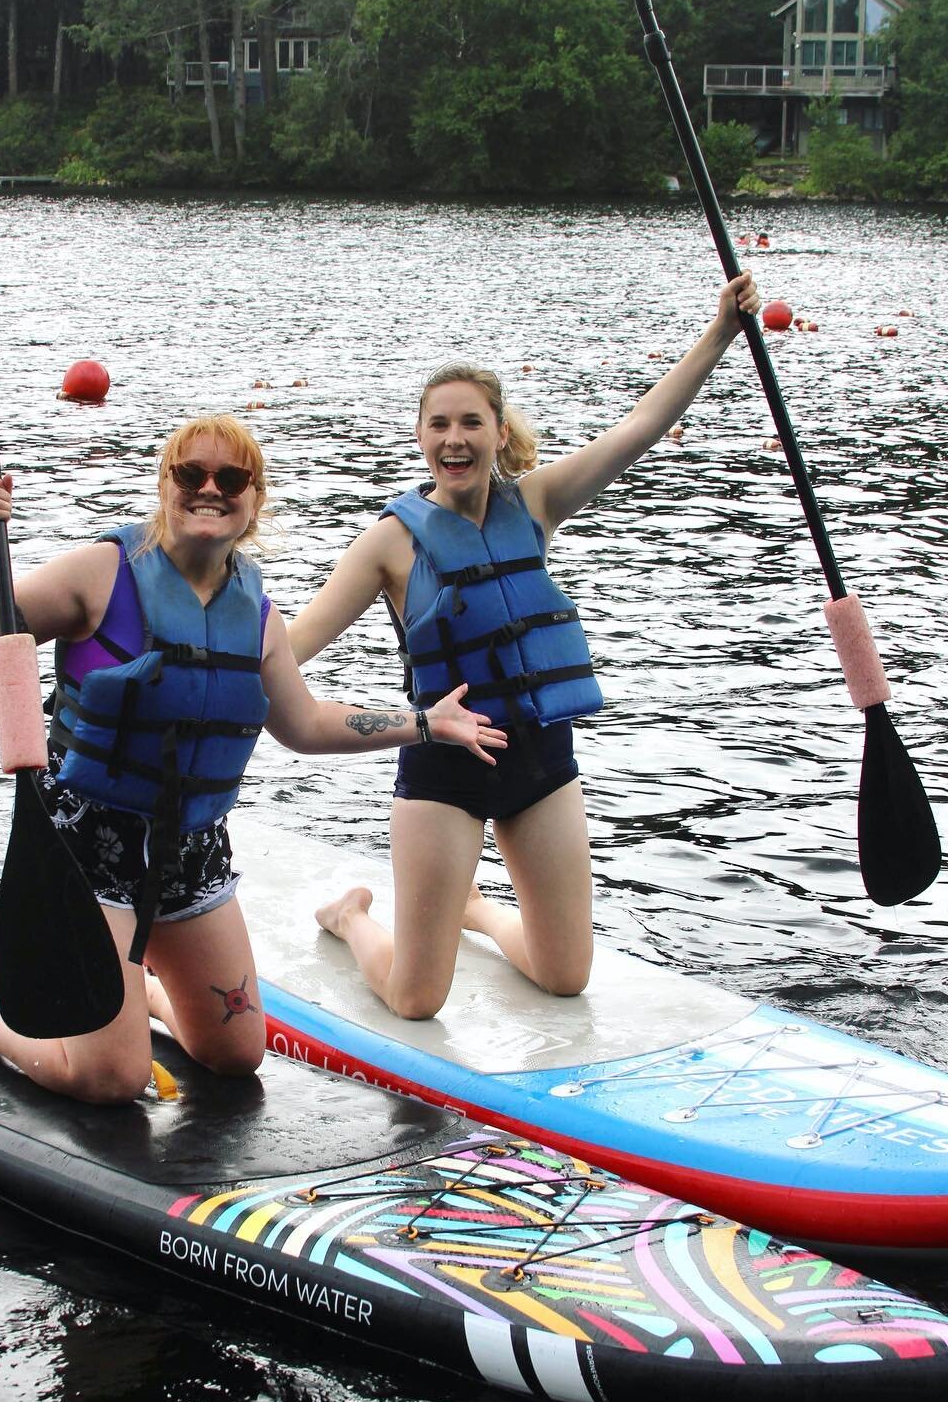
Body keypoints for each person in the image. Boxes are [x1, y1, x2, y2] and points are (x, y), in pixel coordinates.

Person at [0, 413, 505, 1103]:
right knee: (116, 1080)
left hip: (190, 853)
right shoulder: (101, 573)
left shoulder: (256, 614)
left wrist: (426, 722)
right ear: (164, 484)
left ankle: (133, 990)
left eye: (231, 478)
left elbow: (306, 724)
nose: (210, 488)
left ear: (255, 499)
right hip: (86, 852)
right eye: (190, 473)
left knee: (236, 1055)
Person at [286, 271, 761, 1019]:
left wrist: (720, 334)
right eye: (439, 424)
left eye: (471, 423)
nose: (455, 438)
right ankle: (350, 917)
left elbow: (638, 429)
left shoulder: (534, 503)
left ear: (498, 434)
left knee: (564, 974)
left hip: (541, 761)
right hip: (446, 770)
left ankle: (475, 912)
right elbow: (295, 644)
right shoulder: (388, 544)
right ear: (420, 437)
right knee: (416, 1000)